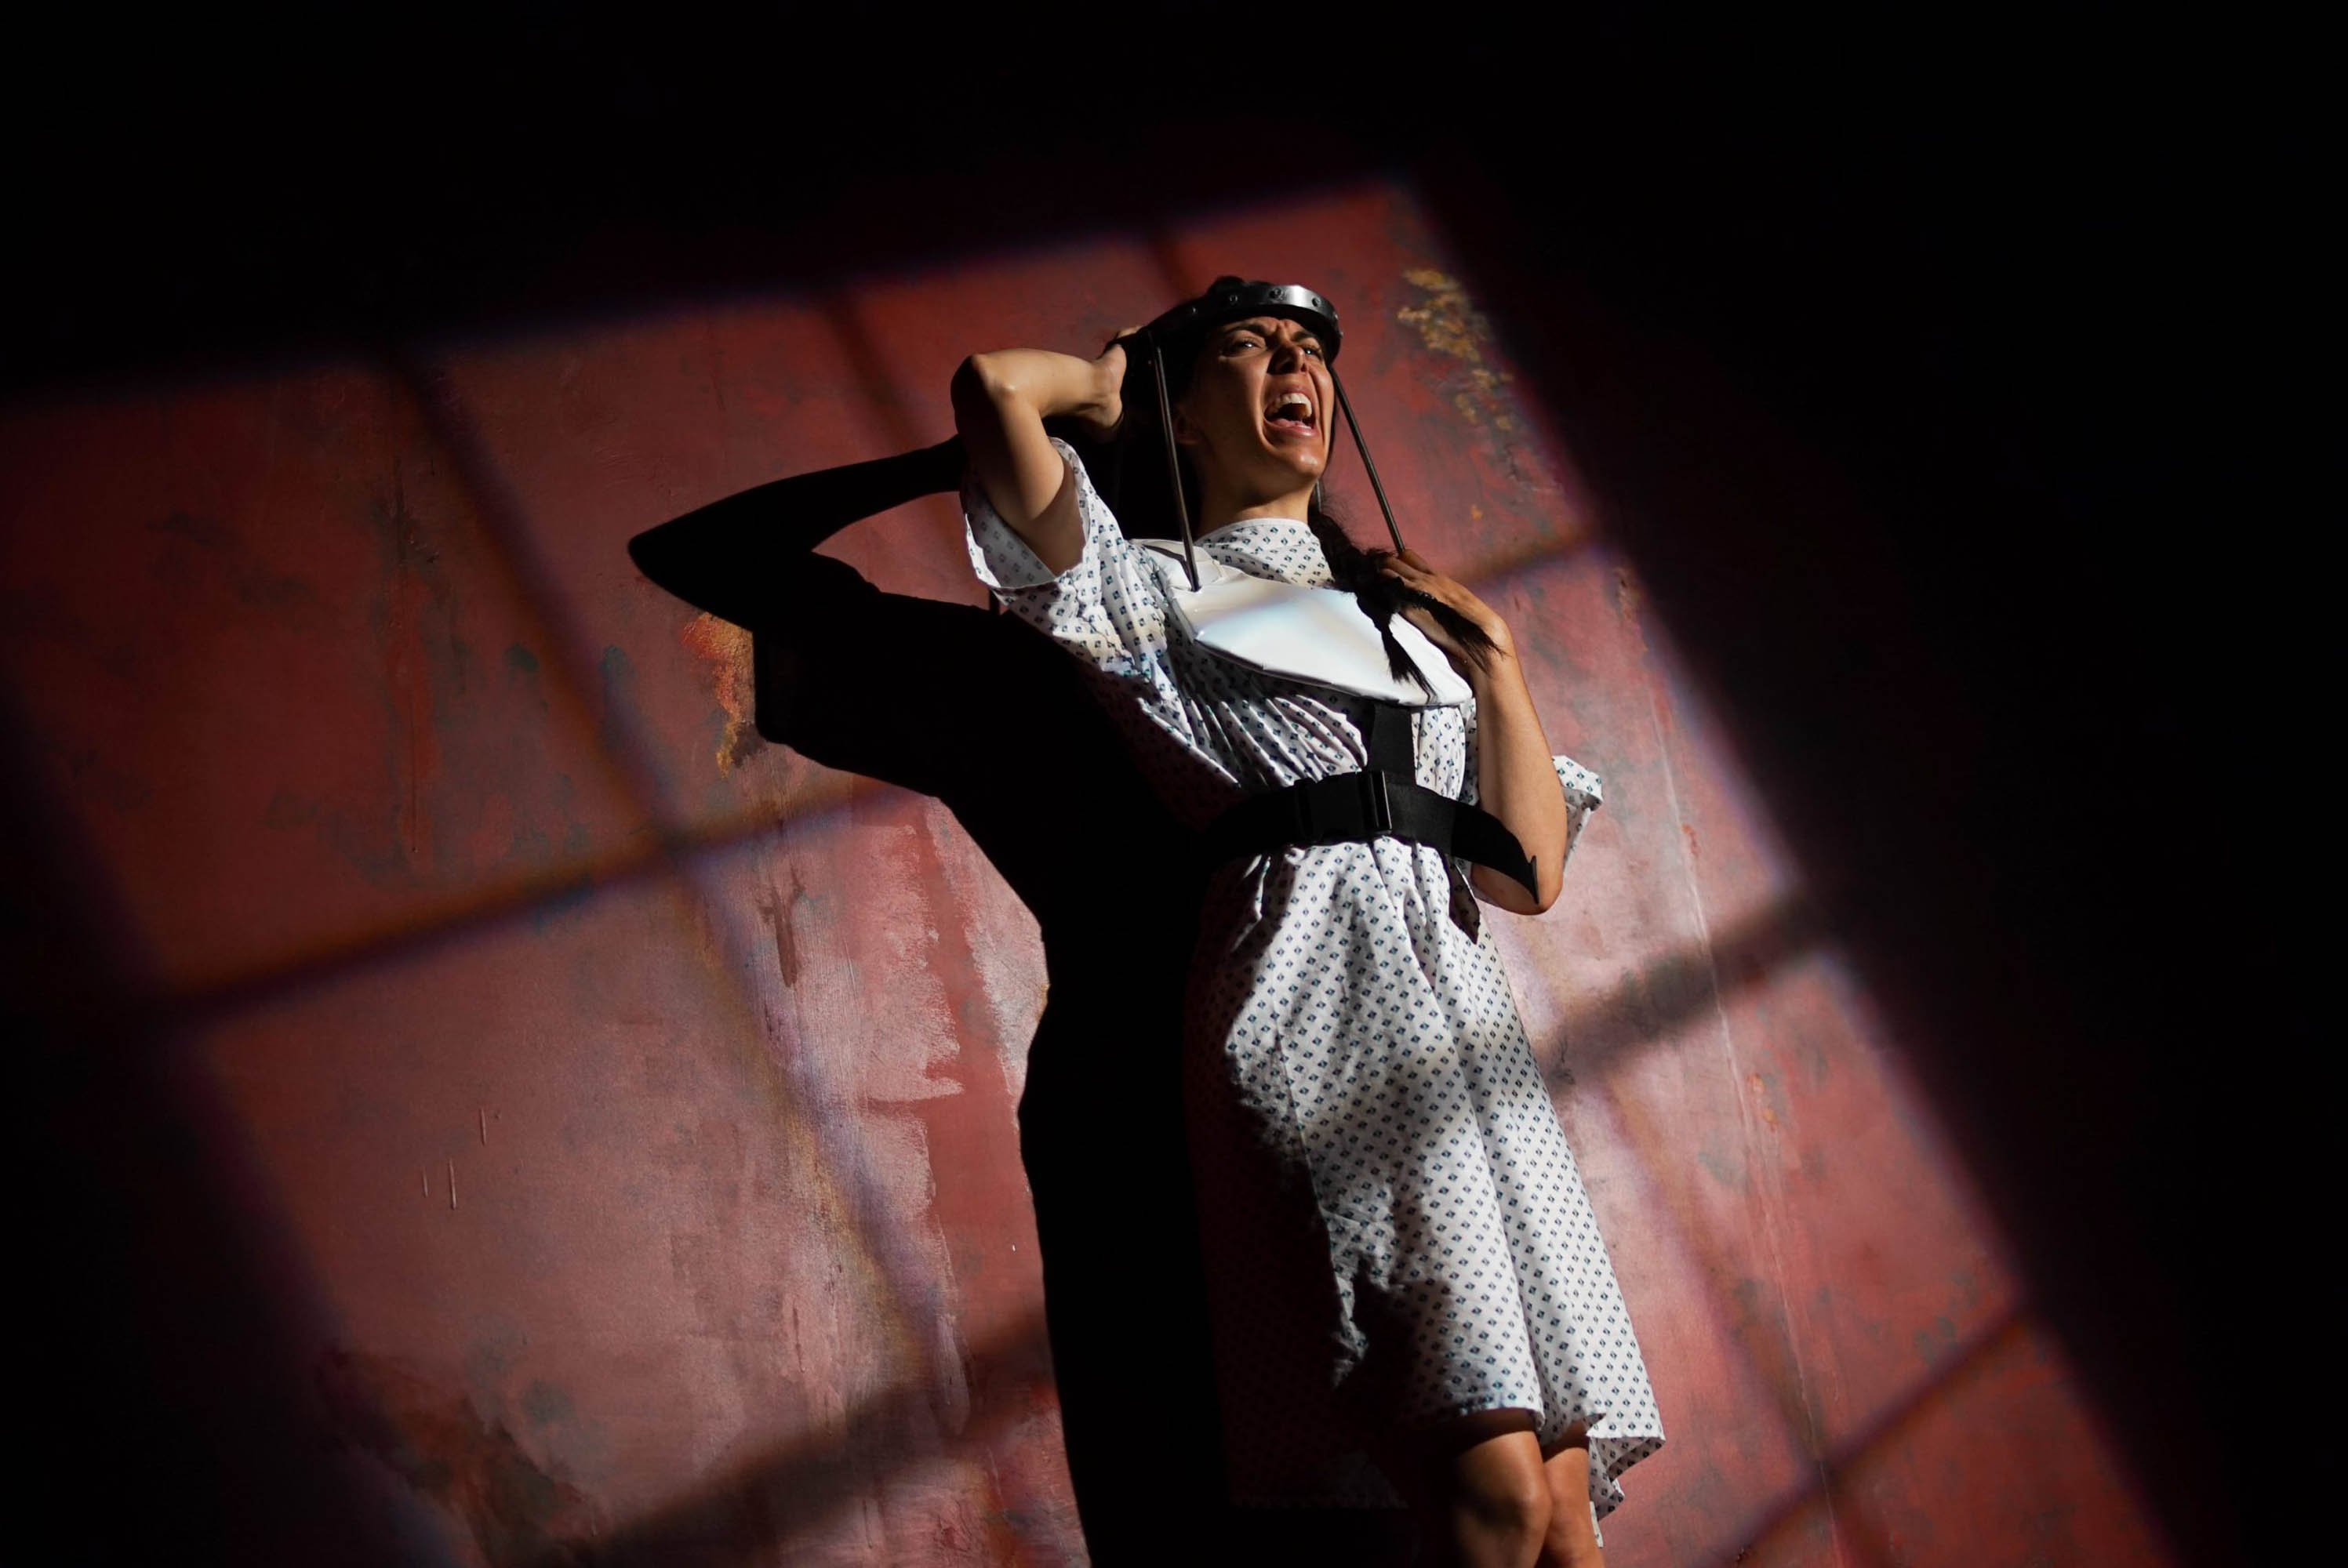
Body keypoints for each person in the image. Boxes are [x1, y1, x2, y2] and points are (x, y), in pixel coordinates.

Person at [951, 280, 1665, 1568]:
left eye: (1312, 350)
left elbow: (1523, 875)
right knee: (1494, 1502)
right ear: (1180, 412)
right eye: (1251, 345)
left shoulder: (1413, 625)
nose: (1297, 364)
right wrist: (1111, 386)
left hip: (1466, 1038)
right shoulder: (1144, 585)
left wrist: (1494, 661)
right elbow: (996, 389)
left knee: (1564, 1522)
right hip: (1312, 1004)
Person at [630, 457, 1358, 1563]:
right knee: (1303, 1471)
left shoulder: (1037, 671)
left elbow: (700, 553)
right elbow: (694, 555)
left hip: (1165, 1084)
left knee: (1207, 1480)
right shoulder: (1048, 672)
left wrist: (960, 457)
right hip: (1197, 1087)